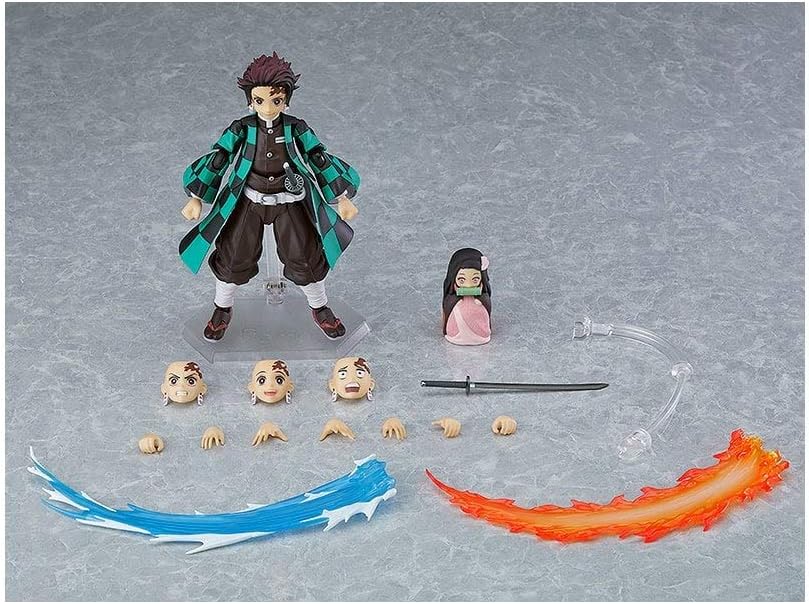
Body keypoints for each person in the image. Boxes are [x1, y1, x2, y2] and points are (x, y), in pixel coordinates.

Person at [179, 52, 361, 341]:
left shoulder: (295, 128)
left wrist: (341, 196)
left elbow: (318, 157)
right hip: (249, 201)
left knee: (305, 256)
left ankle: (320, 307)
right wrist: (196, 196)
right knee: (233, 255)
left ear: (286, 100)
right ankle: (222, 307)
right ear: (250, 101)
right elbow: (219, 158)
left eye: (276, 101)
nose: (267, 107)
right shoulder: (242, 128)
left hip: (289, 202)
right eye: (260, 100)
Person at [441, 248, 492, 345]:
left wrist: (481, 302)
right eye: (461, 280)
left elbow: (486, 304)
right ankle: (456, 335)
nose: (468, 285)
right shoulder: (452, 297)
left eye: (475, 279)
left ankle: (479, 335)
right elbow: (447, 305)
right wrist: (455, 304)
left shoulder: (482, 296)